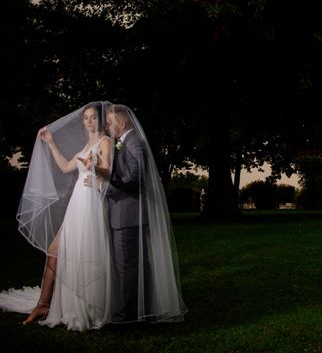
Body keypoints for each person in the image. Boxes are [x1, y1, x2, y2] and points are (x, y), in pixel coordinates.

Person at [0, 102, 113, 331]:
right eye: (85, 117)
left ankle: (85, 305)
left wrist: (94, 168)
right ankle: (43, 304)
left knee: (83, 254)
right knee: (55, 251)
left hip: (91, 202)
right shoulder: (86, 145)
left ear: (100, 120)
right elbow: (64, 167)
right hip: (77, 203)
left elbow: (108, 170)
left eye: (92, 117)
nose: (88, 121)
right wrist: (51, 143)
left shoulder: (105, 142)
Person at [87, 103, 186, 324]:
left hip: (128, 215)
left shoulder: (133, 144)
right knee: (137, 266)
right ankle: (141, 309)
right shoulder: (127, 142)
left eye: (110, 124)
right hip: (128, 214)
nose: (108, 128)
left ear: (121, 124)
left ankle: (127, 316)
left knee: (128, 268)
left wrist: (102, 184)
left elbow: (135, 180)